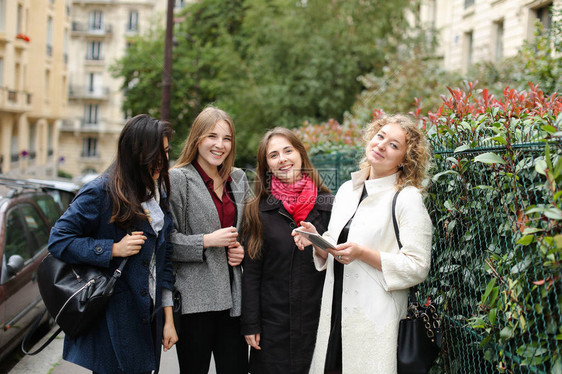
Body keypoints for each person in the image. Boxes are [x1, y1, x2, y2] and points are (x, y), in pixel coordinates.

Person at [293, 114, 433, 373]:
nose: (381, 145)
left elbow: (418, 266)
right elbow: (338, 247)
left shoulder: (407, 198)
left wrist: (363, 253)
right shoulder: (348, 189)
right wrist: (317, 240)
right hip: (335, 311)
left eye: (394, 145)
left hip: (373, 317)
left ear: (405, 159)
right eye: (380, 137)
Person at [48, 114, 177, 374]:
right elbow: (58, 239)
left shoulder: (156, 194)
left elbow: (164, 263)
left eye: (164, 153)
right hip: (113, 321)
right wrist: (112, 249)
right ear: (134, 152)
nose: (161, 163)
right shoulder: (100, 191)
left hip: (148, 317)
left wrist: (168, 319)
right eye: (155, 154)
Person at [241, 127, 334, 374]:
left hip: (316, 319)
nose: (282, 159)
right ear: (266, 166)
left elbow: (338, 260)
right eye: (273, 155)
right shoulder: (256, 210)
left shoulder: (328, 204)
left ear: (301, 155)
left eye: (287, 151)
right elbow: (251, 272)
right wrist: (251, 323)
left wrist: (317, 242)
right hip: (273, 325)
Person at [168, 106, 250, 374]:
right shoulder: (178, 179)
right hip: (195, 302)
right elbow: (165, 243)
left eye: (227, 138)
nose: (220, 145)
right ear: (197, 139)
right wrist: (205, 241)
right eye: (212, 136)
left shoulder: (237, 177)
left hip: (234, 300)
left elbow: (250, 232)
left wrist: (242, 250)